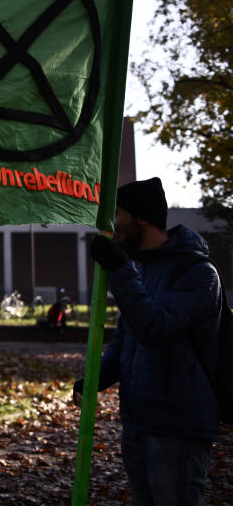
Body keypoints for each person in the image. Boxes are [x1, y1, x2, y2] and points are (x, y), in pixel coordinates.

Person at [75, 177, 223, 506]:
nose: (113, 224)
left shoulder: (198, 274)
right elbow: (126, 338)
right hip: (138, 423)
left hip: (178, 429)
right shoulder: (145, 271)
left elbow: (155, 327)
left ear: (141, 217)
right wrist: (96, 379)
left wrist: (119, 268)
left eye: (118, 213)